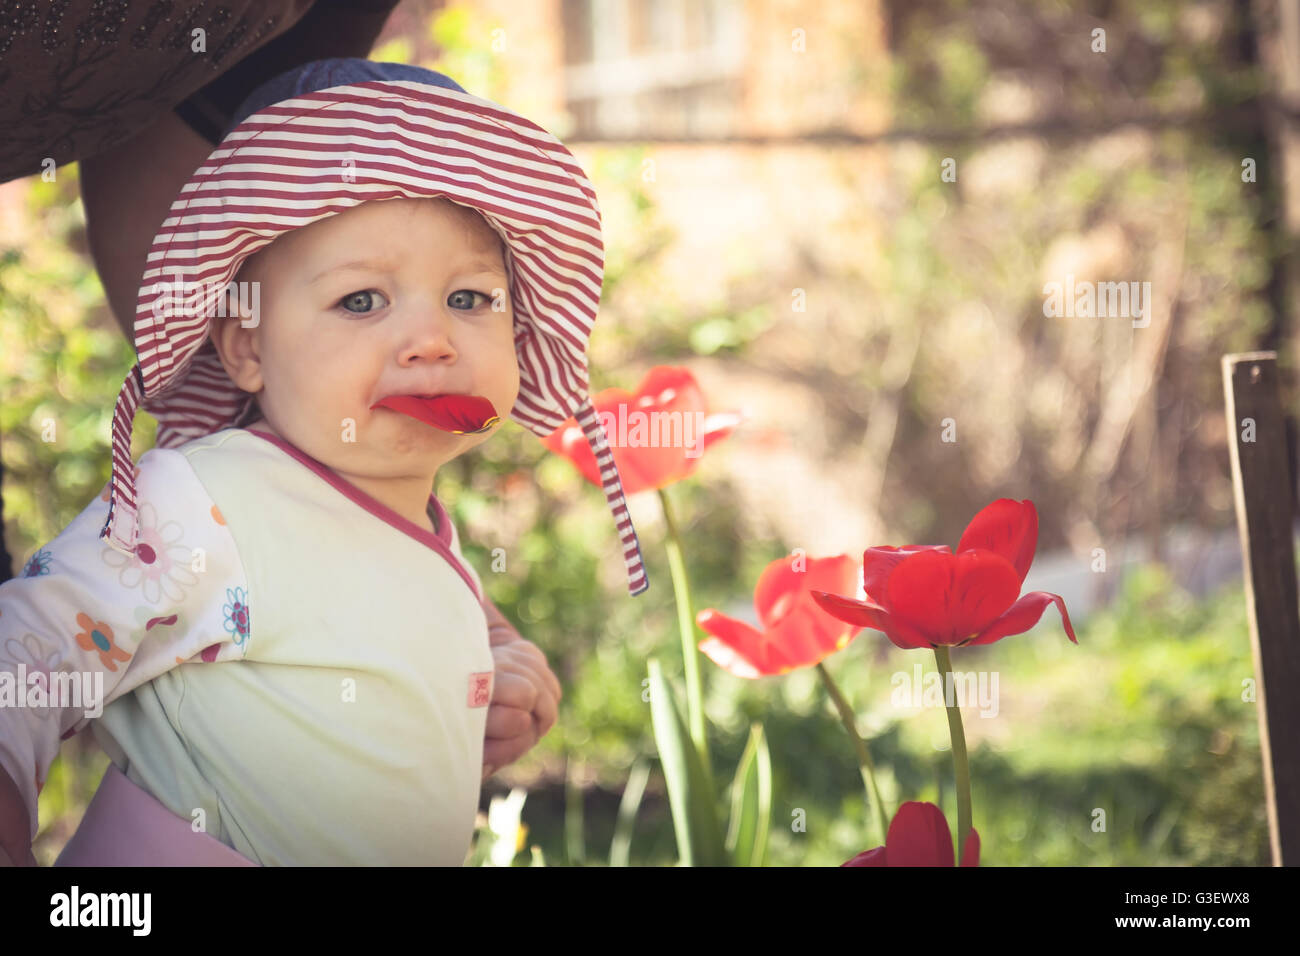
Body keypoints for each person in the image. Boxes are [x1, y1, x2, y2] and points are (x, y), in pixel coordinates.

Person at [0, 58, 648, 866]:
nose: (433, 339)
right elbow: (25, 650)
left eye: (470, 298)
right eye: (362, 300)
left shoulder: (430, 538)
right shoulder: (203, 502)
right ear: (248, 346)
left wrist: (500, 677)